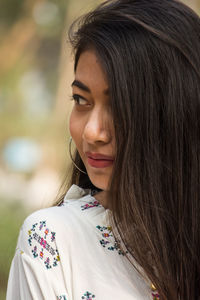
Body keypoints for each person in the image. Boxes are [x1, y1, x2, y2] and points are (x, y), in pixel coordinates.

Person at [6, 0, 200, 299]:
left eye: (120, 105)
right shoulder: (51, 241)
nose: (91, 132)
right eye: (81, 100)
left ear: (177, 113)